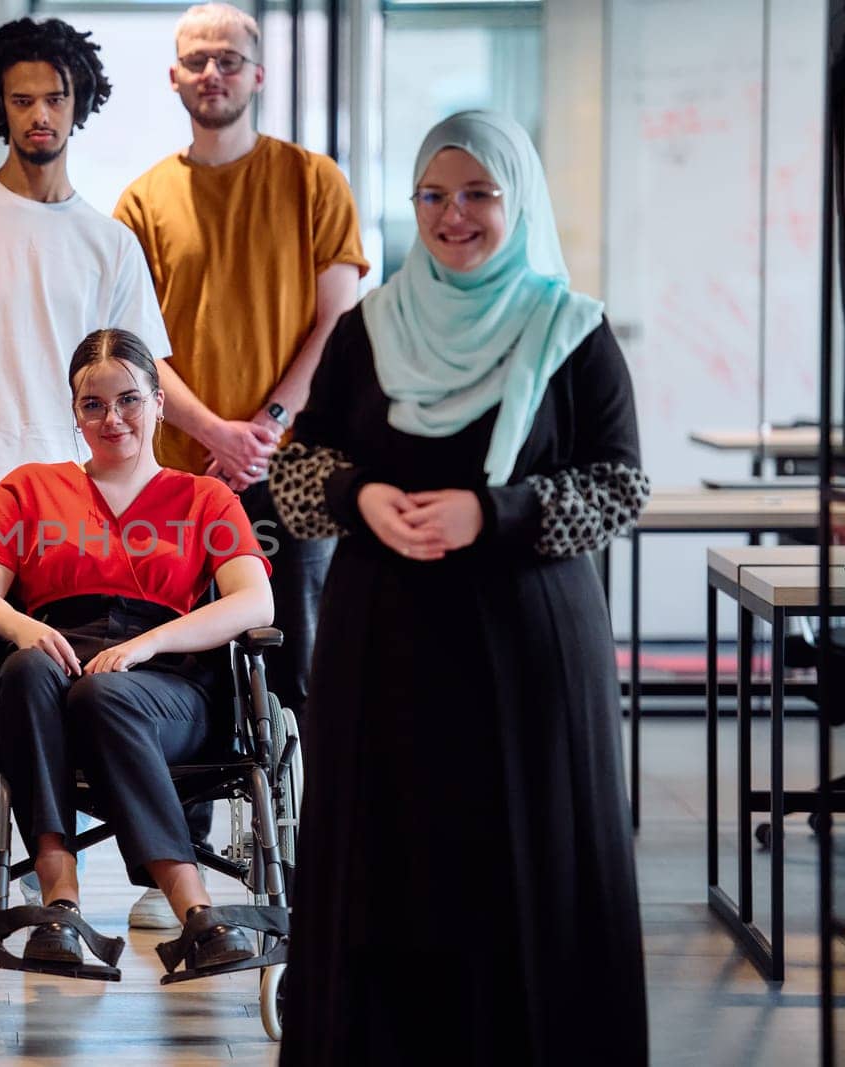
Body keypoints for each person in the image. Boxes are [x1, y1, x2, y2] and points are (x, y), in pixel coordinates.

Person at [270, 111, 650, 1064]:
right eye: (433, 196)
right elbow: (297, 471)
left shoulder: (572, 331)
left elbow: (620, 484)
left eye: (478, 192)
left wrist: (500, 514)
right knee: (387, 871)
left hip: (526, 658)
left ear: (516, 201)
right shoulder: (369, 329)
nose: (454, 215)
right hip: (384, 656)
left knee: (526, 866)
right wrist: (360, 495)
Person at [0, 15, 176, 959]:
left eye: (55, 96)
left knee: (55, 698)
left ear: (80, 103)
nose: (39, 114)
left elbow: (139, 385)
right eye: (21, 98)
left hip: (70, 518)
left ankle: (68, 888)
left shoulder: (109, 243)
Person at [112, 8, 369, 928]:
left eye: (229, 59)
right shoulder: (141, 201)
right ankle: (173, 861)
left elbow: (338, 310)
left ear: (258, 74)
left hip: (296, 469)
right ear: (174, 81)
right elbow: (135, 344)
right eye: (195, 61)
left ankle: (317, 847)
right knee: (183, 662)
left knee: (305, 661)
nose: (212, 72)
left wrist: (263, 422)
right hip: (181, 474)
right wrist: (212, 430)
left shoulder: (311, 179)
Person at [0, 328, 272, 967]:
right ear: (74, 414)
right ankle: (61, 908)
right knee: (22, 671)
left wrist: (147, 646)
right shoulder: (28, 489)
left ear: (159, 402)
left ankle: (194, 908)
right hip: (57, 664)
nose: (112, 418)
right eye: (92, 405)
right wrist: (22, 626)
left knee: (106, 691)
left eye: (128, 399)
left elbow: (254, 603)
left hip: (170, 686)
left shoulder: (204, 498)